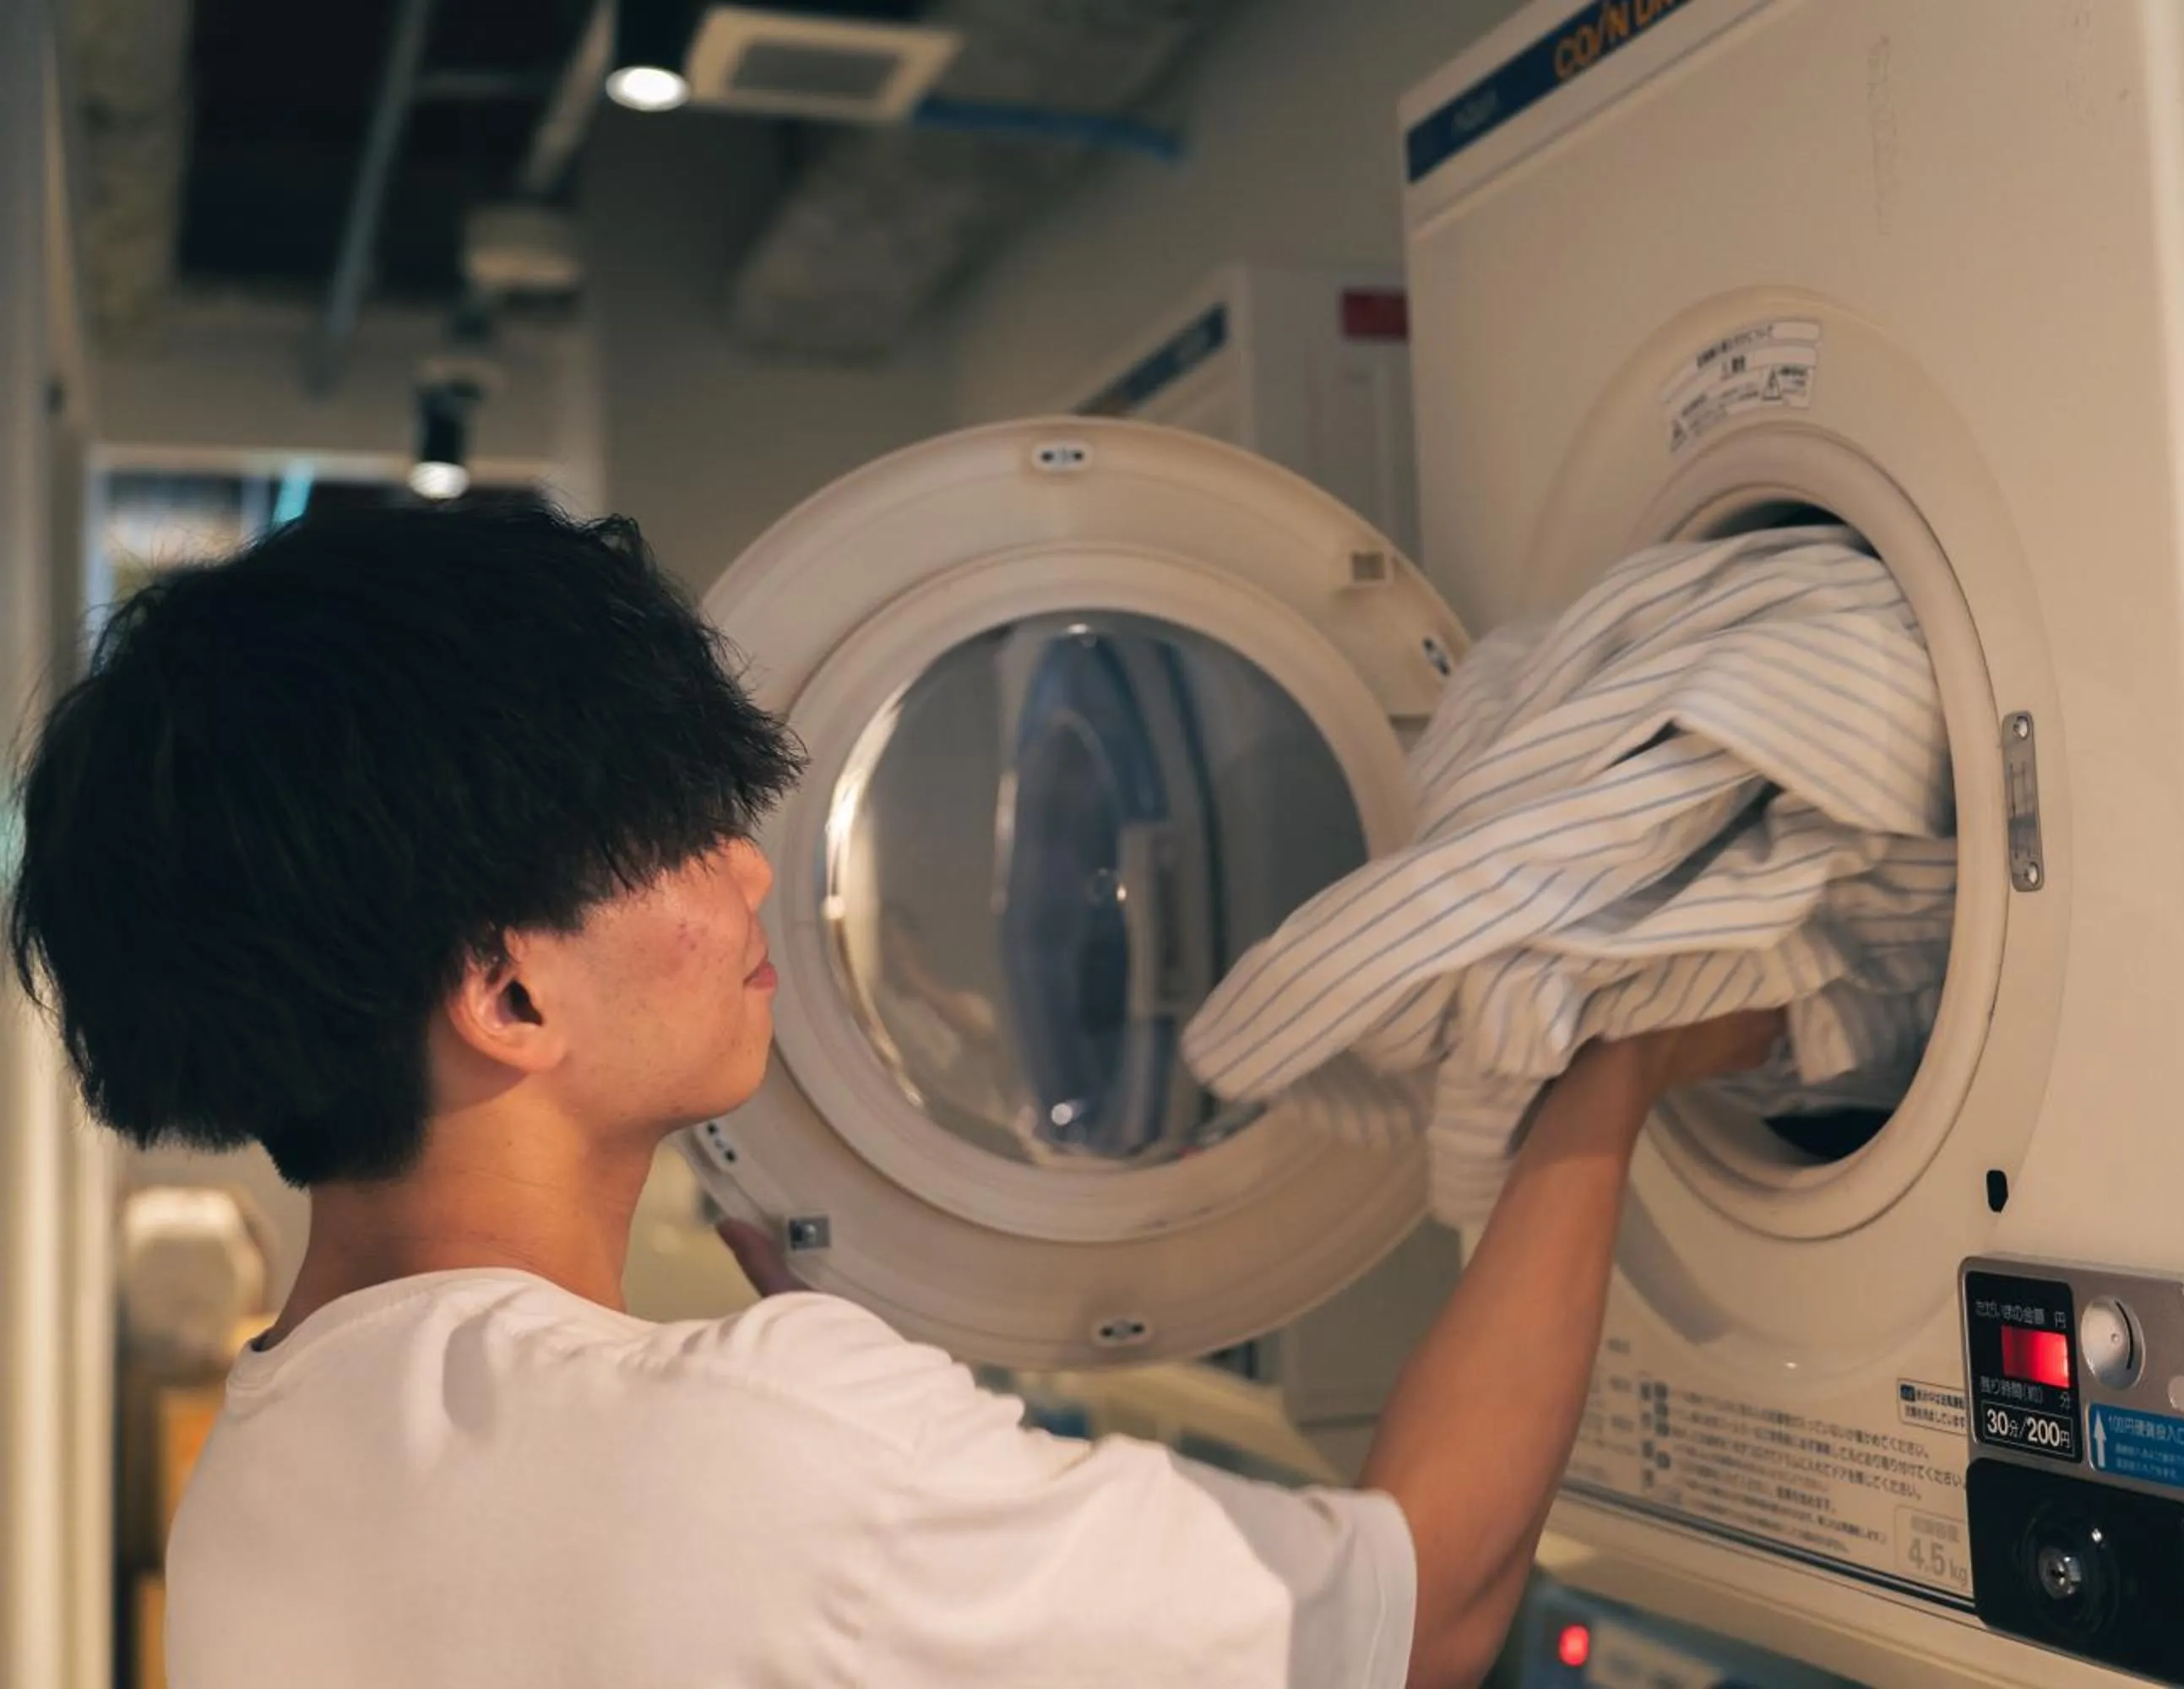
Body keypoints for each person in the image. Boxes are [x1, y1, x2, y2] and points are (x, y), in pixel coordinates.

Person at [6, 500, 1781, 1688]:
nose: (750, 874)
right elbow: (1430, 1605)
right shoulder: (752, 1445)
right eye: (680, 834)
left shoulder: (262, 1476)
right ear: (509, 991)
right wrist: (1607, 1070)